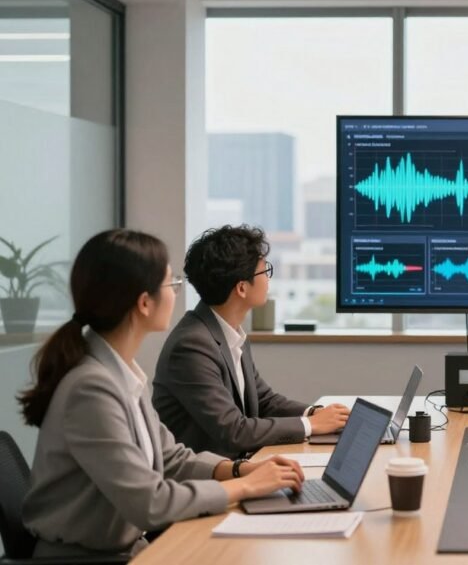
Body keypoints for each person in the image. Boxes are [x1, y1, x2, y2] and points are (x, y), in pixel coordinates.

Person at [17, 229, 304, 558]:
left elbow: (172, 459)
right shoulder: (91, 389)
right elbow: (150, 503)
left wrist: (240, 470)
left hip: (128, 549)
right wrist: (245, 487)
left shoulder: (120, 373)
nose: (177, 293)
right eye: (171, 284)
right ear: (143, 303)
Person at [153, 225, 348, 458]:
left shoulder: (228, 332)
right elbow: (234, 430)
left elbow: (264, 400)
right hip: (205, 480)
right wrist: (312, 426)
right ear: (242, 288)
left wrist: (315, 413)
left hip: (237, 467)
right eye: (264, 271)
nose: (268, 279)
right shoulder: (191, 347)